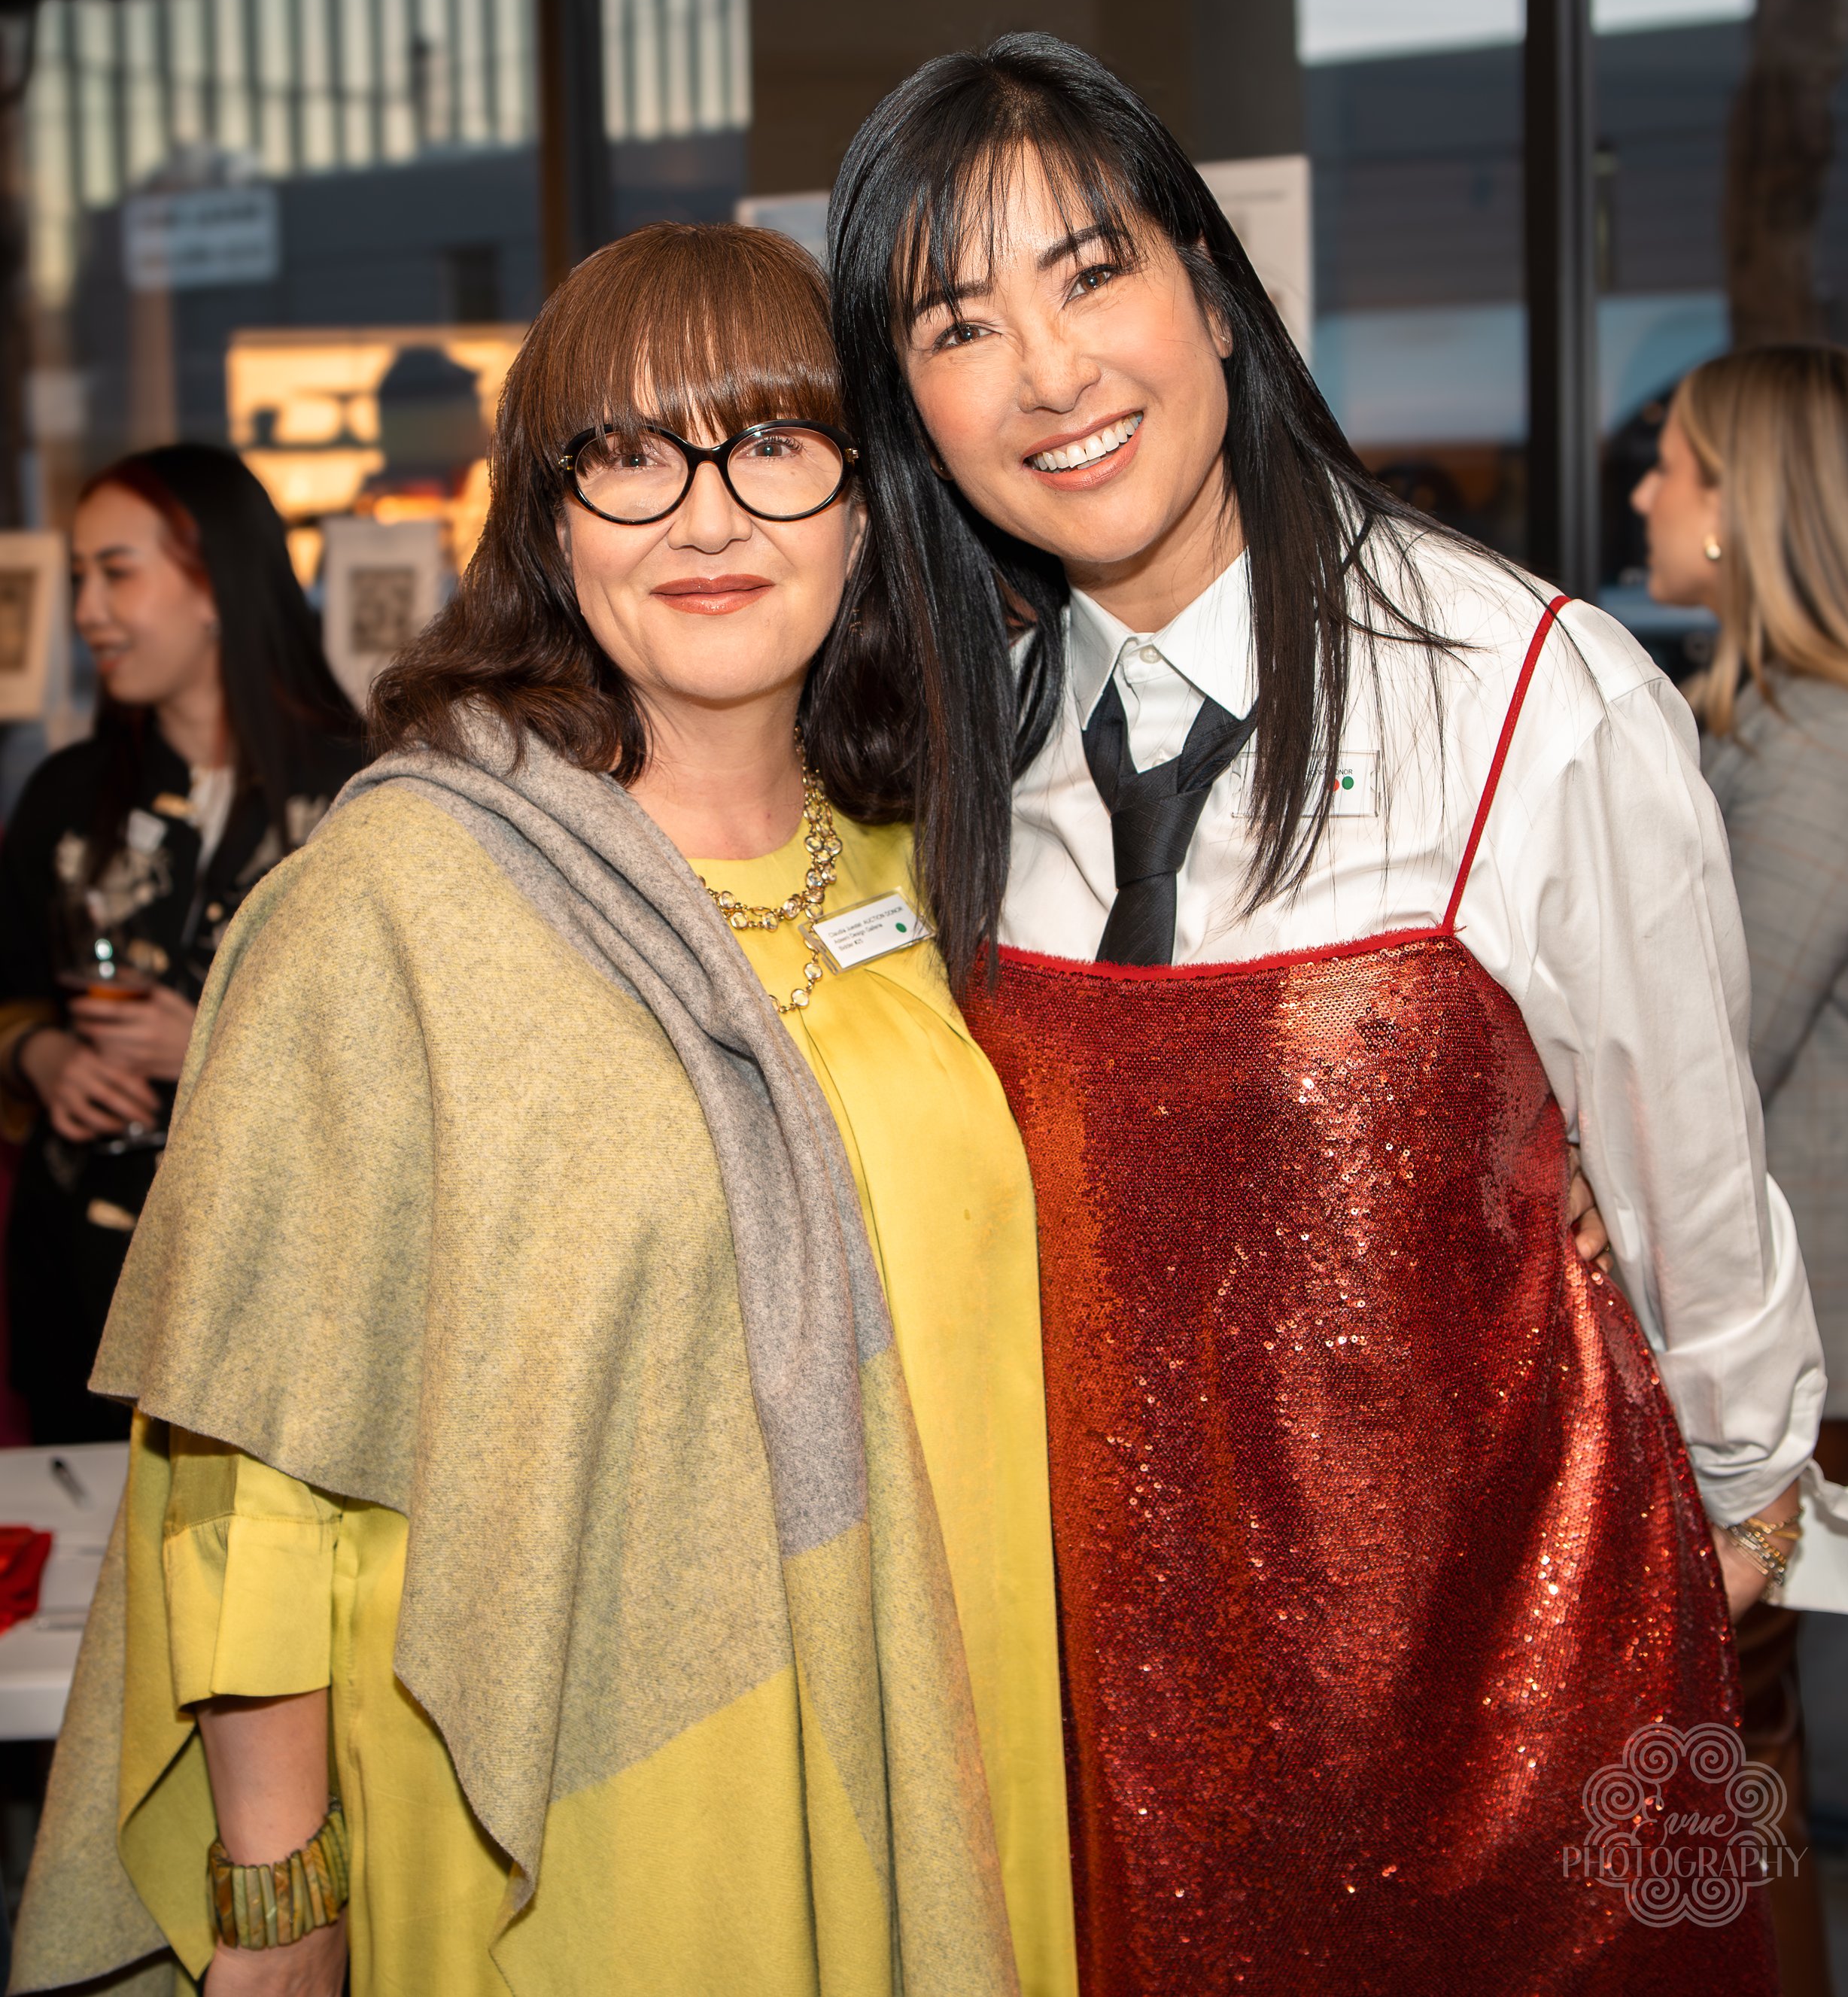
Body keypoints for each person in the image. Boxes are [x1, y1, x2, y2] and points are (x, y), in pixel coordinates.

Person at [825, 32, 1833, 1995]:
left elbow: (1690, 1184)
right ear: (909, 407)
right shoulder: (951, 772)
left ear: (1207, 283)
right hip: (1102, 1711)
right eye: (958, 323)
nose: (1046, 371)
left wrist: (1734, 1522)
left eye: (1088, 270)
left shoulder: (1522, 691)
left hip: (1503, 1688)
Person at [11, 224, 1074, 1997]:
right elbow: (251, 1451)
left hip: (951, 1732)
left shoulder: (946, 870)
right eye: (630, 455)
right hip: (577, 1822)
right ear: (549, 522)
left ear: (866, 505)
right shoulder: (403, 899)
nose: (707, 517)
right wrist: (282, 1900)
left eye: (772, 442)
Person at [1636, 341, 1848, 1997]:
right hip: (1787, 1301)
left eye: (1674, 464)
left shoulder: (1822, 750)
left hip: (1810, 1322)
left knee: (1739, 1710)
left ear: (1743, 513)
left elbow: (1716, 1044)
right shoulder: (1767, 725)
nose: (1645, 492)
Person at [0, 445, 362, 1444]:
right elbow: (14, 984)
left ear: (214, 583)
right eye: (78, 578)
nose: (86, 611)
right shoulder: (67, 796)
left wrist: (211, 1038)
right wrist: (46, 1056)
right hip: (81, 1275)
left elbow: (415, 1050)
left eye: (116, 572)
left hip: (284, 1290)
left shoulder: (367, 794)